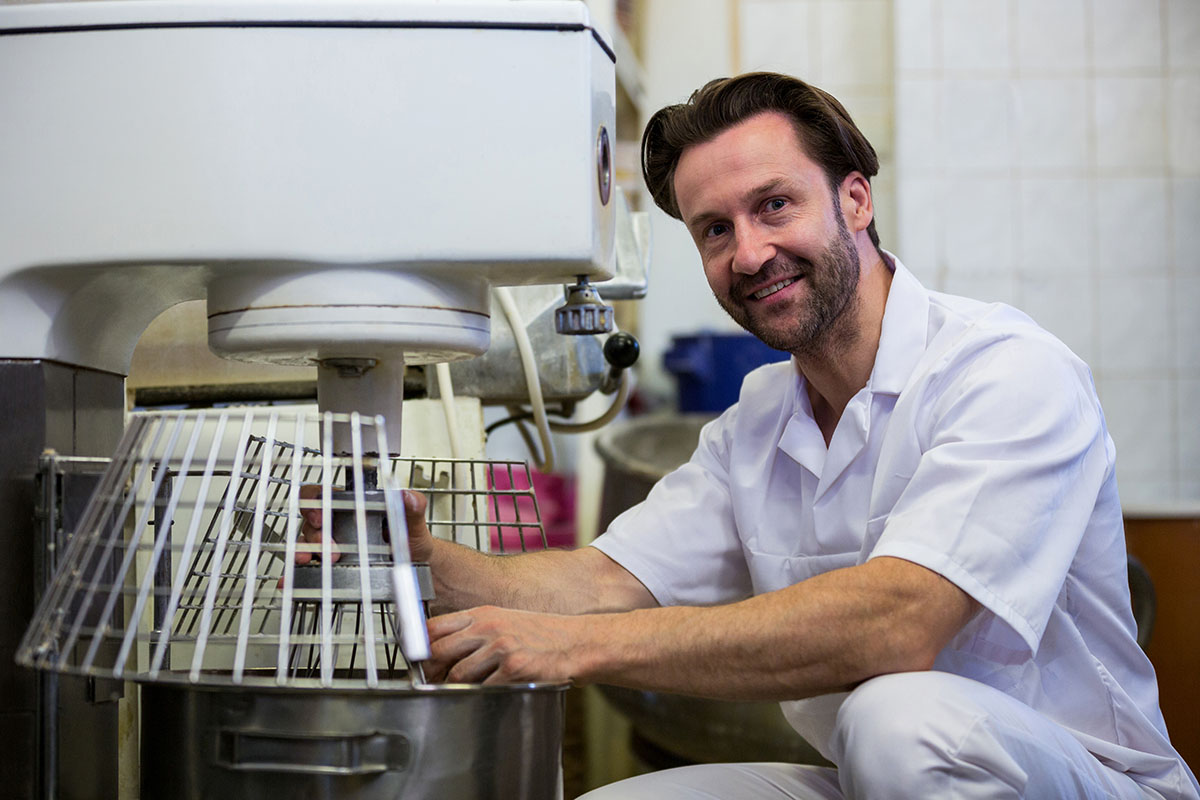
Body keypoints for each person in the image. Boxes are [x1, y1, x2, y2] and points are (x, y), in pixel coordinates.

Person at [307, 72, 1199, 799]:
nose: (747, 253)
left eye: (774, 205)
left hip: (1076, 780)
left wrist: (576, 650)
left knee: (898, 720)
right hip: (869, 779)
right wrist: (421, 559)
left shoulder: (1006, 371)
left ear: (855, 200)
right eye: (715, 230)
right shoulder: (758, 424)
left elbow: (901, 624)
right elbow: (607, 582)